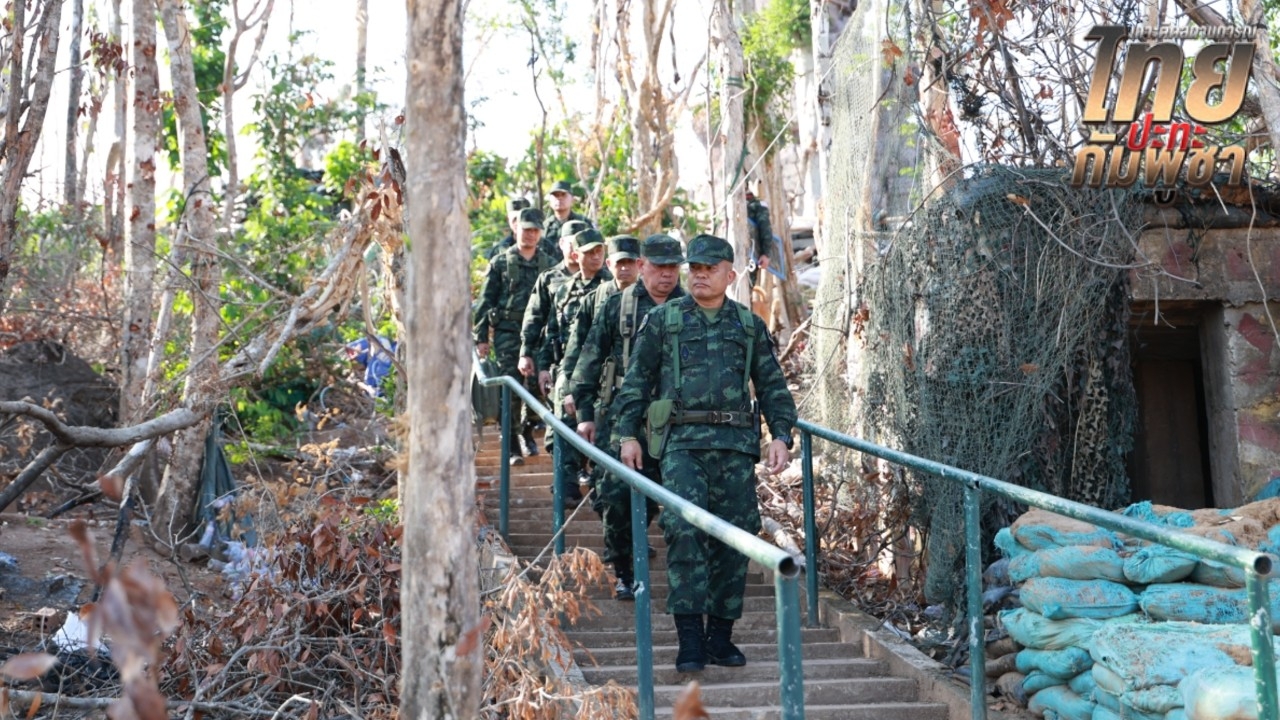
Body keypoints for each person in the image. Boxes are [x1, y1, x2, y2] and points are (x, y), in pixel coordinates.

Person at [613, 233, 797, 673]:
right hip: (682, 446)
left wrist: (781, 435)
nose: (698, 274)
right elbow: (635, 382)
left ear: (729, 275)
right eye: (693, 268)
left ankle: (720, 637)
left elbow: (772, 385)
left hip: (735, 449)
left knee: (736, 536)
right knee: (683, 529)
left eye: (708, 268)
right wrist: (627, 435)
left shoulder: (748, 325)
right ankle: (690, 639)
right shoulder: (665, 320)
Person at [570, 234, 686, 601]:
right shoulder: (618, 307)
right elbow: (588, 359)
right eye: (658, 267)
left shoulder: (692, 305)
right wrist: (585, 415)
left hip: (675, 420)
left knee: (667, 494)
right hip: (622, 415)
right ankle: (624, 571)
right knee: (616, 496)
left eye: (672, 268)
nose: (666, 275)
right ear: (641, 267)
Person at [531, 228, 612, 507]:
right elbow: (551, 332)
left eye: (599, 251)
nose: (595, 256)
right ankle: (566, 488)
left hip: (601, 372)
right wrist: (544, 367)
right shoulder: (564, 289)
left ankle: (599, 489)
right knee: (561, 429)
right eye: (590, 252)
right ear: (576, 254)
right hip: (566, 367)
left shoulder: (611, 287)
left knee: (598, 430)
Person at [473, 207, 558, 464]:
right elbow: (485, 301)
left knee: (537, 390)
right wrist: (481, 337)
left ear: (540, 232)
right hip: (508, 334)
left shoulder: (549, 265)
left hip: (539, 335)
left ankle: (528, 431)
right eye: (525, 229)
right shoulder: (500, 262)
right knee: (509, 387)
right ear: (516, 229)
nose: (530, 235)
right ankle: (511, 446)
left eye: (535, 230)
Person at [517, 219, 590, 455]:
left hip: (589, 359)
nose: (576, 249)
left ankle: (578, 470)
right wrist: (526, 352)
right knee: (556, 415)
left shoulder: (602, 279)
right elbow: (535, 316)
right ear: (561, 244)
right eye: (572, 243)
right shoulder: (549, 277)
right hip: (553, 356)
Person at [488, 198, 562, 261]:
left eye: (523, 220)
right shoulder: (500, 249)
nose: (518, 223)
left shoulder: (547, 246)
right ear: (508, 219)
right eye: (515, 219)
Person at [543, 180, 593, 251]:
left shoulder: (583, 223)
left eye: (563, 194)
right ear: (550, 200)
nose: (559, 198)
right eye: (556, 195)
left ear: (572, 199)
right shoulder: (545, 226)